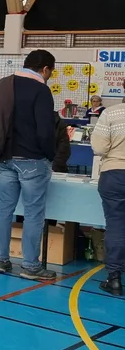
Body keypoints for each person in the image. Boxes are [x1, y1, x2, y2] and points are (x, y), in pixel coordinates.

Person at [0, 49, 58, 281]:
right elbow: (45, 130)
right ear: (45, 69)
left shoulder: (3, 85)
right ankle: (30, 265)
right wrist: (51, 156)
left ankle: (0, 260)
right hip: (31, 160)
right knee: (33, 213)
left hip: (3, 158)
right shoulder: (41, 90)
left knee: (4, 209)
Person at [92, 99, 125, 295]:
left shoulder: (111, 114)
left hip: (114, 173)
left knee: (116, 225)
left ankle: (114, 278)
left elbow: (99, 148)